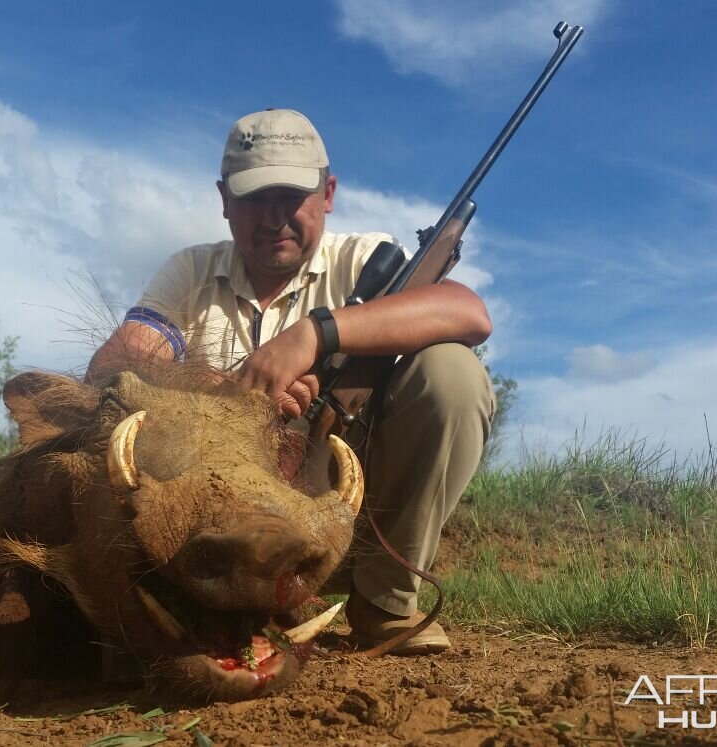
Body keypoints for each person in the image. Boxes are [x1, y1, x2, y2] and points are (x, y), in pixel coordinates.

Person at [88, 108, 496, 655]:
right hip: (213, 541)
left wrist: (315, 335)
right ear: (224, 200)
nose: (274, 217)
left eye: (291, 197)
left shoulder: (365, 262)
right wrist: (225, 392)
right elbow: (115, 360)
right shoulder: (189, 271)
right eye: (254, 198)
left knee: (453, 373)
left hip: (342, 529)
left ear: (327, 194)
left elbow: (469, 313)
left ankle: (386, 602)